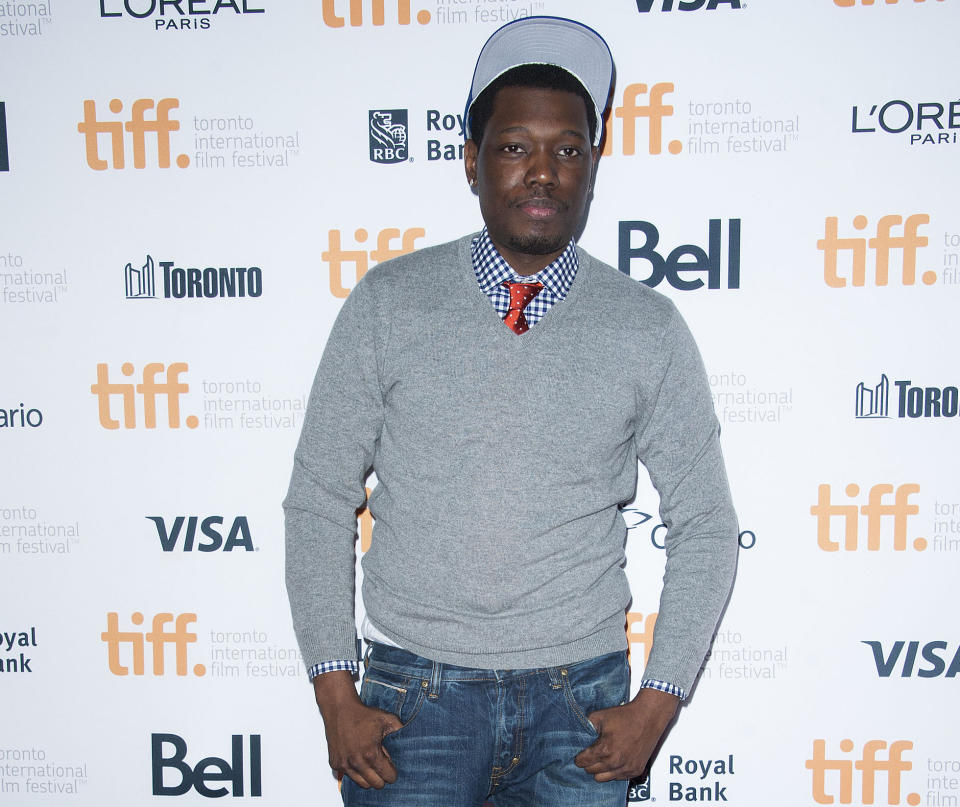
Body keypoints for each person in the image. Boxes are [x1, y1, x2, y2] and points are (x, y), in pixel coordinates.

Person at [284, 15, 738, 807]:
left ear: (592, 168)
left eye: (568, 150)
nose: (543, 172)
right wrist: (333, 690)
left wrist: (657, 705)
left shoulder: (646, 326)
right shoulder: (390, 303)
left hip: (583, 710)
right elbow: (319, 497)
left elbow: (705, 521)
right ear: (471, 160)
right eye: (515, 146)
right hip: (408, 705)